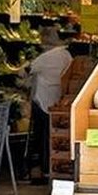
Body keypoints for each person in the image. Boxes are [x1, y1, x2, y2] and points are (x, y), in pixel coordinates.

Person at [25, 23, 76, 177]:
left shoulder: (44, 58)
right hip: (59, 99)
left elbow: (26, 70)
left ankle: (41, 168)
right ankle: (53, 166)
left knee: (40, 136)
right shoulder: (67, 55)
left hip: (42, 99)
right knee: (55, 133)